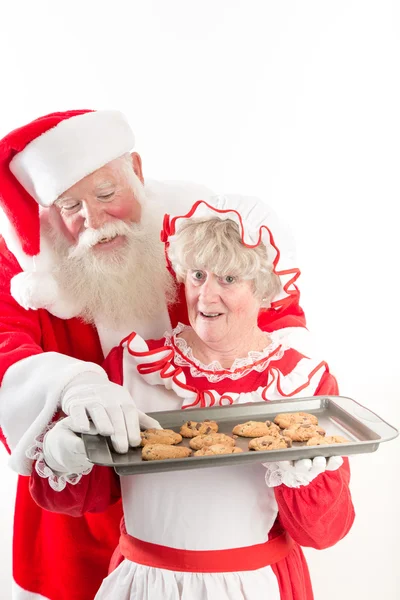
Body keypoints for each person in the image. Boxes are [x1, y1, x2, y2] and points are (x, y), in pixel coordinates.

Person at [0, 111, 305, 600]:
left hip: (221, 512)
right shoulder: (25, 261)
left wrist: (294, 377)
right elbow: (4, 345)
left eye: (105, 195)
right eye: (70, 205)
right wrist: (69, 389)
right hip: (80, 513)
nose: (93, 222)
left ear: (137, 171)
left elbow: (268, 299)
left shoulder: (199, 220)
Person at [29, 195, 355, 600]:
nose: (207, 296)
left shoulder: (302, 383)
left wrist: (303, 474)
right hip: (145, 587)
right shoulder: (131, 366)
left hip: (255, 587)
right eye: (198, 275)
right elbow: (88, 498)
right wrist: (65, 454)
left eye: (229, 279)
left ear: (264, 286)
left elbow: (324, 532)